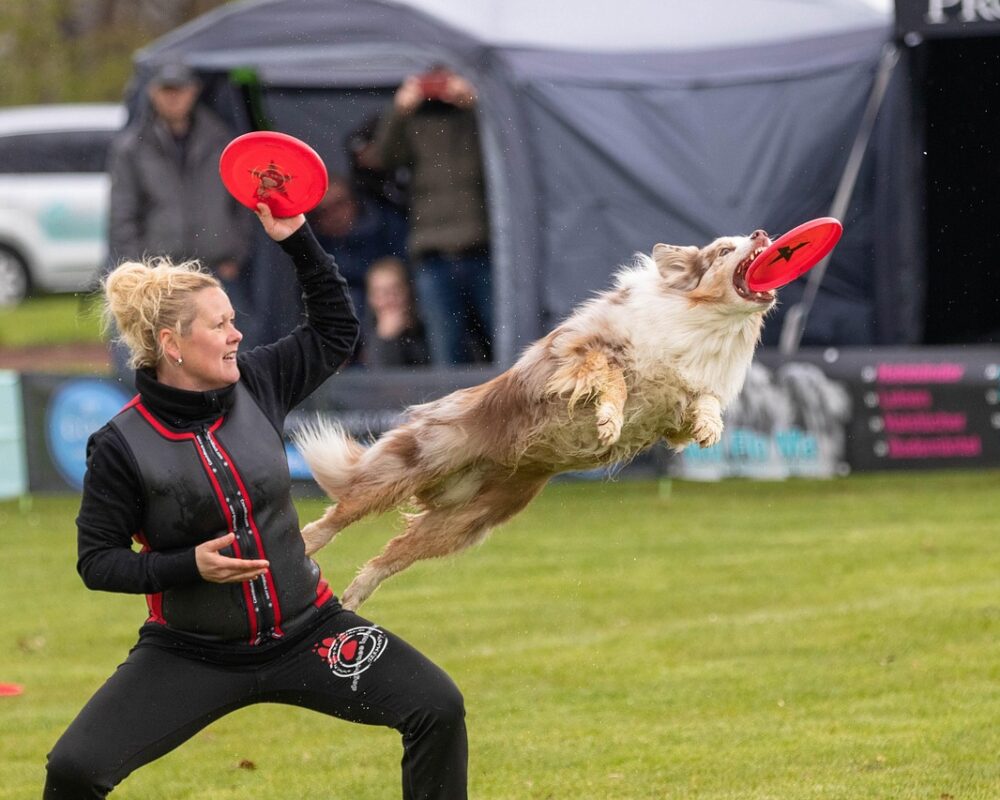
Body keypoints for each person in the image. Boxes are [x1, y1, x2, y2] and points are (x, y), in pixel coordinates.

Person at [43, 205, 468, 798]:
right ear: (171, 344)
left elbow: (335, 330)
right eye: (218, 325)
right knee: (74, 770)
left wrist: (297, 239)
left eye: (232, 320)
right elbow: (98, 562)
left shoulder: (258, 380)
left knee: (437, 707)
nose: (236, 334)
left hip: (310, 633)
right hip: (193, 654)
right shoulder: (119, 446)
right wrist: (186, 566)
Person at [106, 62, 254, 342]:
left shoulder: (221, 140)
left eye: (180, 89)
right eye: (166, 89)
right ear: (152, 92)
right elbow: (122, 215)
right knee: (163, 351)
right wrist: (139, 269)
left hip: (217, 268)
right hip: (162, 276)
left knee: (226, 347)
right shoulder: (131, 148)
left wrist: (236, 253)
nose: (173, 97)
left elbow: (243, 203)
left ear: (194, 91)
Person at [375, 66, 492, 366]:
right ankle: (452, 413)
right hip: (433, 254)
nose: (438, 88)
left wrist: (479, 101)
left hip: (481, 249)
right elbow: (381, 159)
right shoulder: (413, 122)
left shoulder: (474, 119)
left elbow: (508, 148)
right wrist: (399, 110)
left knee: (504, 343)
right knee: (446, 351)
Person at [309, 174, 408, 331]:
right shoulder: (316, 252)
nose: (334, 215)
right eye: (324, 212)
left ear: (355, 202)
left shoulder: (387, 227)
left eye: (339, 205)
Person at [363, 256, 431, 368]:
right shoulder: (361, 337)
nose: (389, 298)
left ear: (409, 291)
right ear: (371, 299)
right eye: (380, 292)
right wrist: (385, 340)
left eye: (396, 289)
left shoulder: (428, 328)